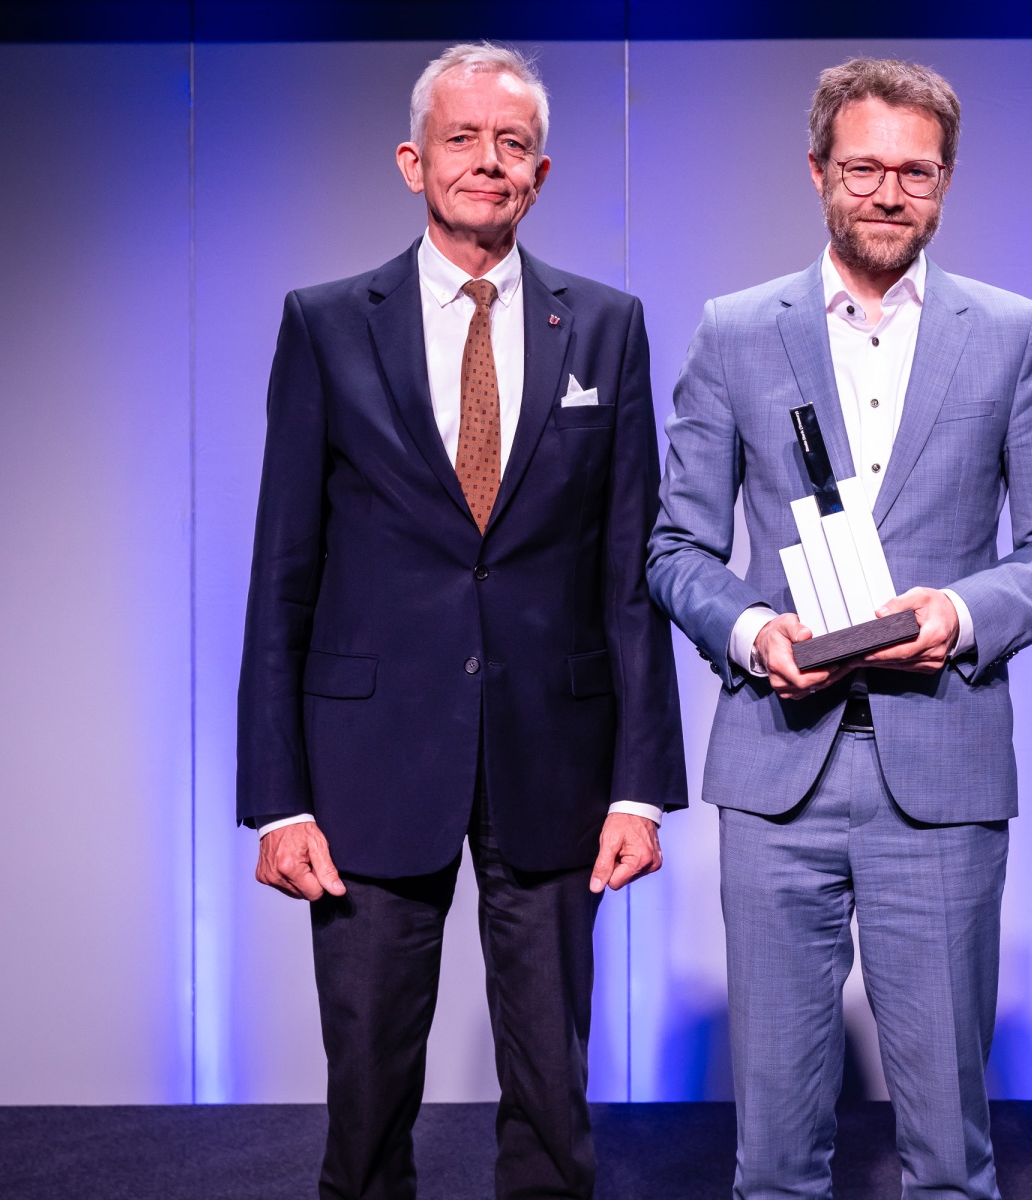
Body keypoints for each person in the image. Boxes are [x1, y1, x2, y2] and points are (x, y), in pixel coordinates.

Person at [236, 42, 686, 1200]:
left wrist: (640, 788)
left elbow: (629, 572)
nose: (489, 160)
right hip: (368, 763)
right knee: (367, 1097)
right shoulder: (327, 325)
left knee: (554, 1098)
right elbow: (283, 571)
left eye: (513, 143)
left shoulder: (607, 327)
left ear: (541, 171)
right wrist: (278, 799)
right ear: (412, 161)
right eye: (463, 138)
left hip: (558, 762)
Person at [648, 57, 1032, 1200]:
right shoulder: (737, 332)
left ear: (946, 180)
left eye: (917, 171)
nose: (890, 192)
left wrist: (961, 611)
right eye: (864, 169)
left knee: (949, 1153)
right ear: (817, 172)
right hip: (777, 770)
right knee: (773, 1159)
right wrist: (755, 630)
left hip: (941, 764)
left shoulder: (1010, 334)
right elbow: (675, 550)